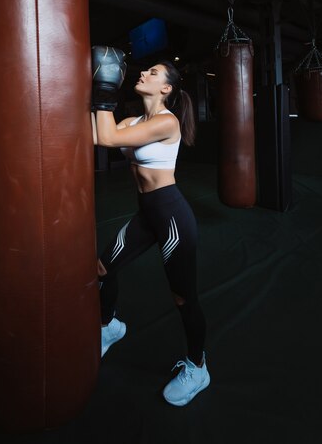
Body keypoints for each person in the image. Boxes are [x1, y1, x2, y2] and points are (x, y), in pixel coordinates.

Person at [91, 45, 210, 407]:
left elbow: (107, 138)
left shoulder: (167, 122)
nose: (143, 74)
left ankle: (198, 366)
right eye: (145, 72)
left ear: (166, 89)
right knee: (102, 268)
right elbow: (98, 134)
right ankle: (110, 326)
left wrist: (105, 91)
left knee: (182, 297)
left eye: (154, 73)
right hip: (147, 214)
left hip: (172, 217)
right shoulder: (133, 122)